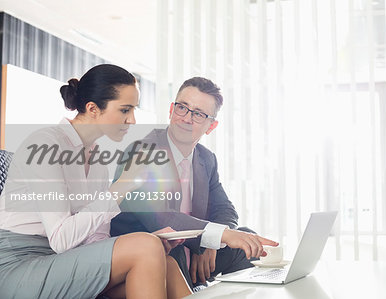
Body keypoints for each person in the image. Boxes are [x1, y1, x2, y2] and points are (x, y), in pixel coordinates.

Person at [0, 64, 192, 299]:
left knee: (167, 264)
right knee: (145, 246)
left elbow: (95, 239)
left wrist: (149, 242)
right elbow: (61, 239)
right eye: (125, 110)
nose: (132, 120)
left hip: (62, 261)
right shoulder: (45, 145)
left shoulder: (98, 159)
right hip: (21, 266)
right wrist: (122, 185)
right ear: (92, 108)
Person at [111, 77, 278, 289]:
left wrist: (213, 244)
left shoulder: (206, 159)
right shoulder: (143, 152)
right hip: (158, 251)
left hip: (193, 252)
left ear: (211, 126)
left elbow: (225, 209)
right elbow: (162, 219)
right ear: (171, 110)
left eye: (198, 114)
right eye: (182, 108)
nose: (186, 118)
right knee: (177, 244)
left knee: (247, 240)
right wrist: (215, 238)